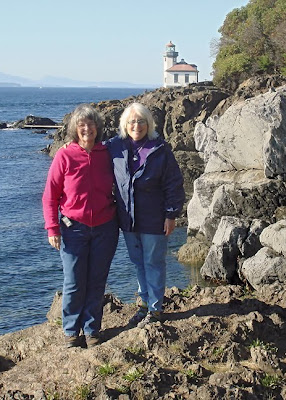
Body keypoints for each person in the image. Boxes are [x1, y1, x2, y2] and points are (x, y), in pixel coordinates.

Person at [42, 104, 118, 348]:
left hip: (106, 227)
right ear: (75, 129)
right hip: (74, 228)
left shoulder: (107, 152)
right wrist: (52, 228)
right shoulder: (65, 155)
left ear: (98, 127)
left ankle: (92, 329)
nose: (87, 129)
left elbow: (130, 144)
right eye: (82, 125)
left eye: (91, 124)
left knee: (97, 281)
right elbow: (50, 195)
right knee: (74, 281)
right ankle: (71, 332)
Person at [106, 102, 185, 328]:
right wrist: (67, 147)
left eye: (141, 121)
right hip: (128, 220)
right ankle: (144, 304)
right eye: (132, 121)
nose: (136, 125)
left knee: (153, 262)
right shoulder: (115, 147)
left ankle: (155, 309)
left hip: (154, 219)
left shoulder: (159, 150)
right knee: (138, 262)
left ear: (149, 124)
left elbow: (173, 184)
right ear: (124, 124)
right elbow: (88, 149)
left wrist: (171, 215)